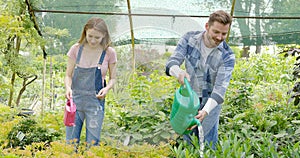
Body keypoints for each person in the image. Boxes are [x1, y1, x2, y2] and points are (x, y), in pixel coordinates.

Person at [165, 10, 235, 149]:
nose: (220, 37)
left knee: (208, 142)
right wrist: (178, 72)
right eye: (216, 32)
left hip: (210, 102)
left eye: (224, 34)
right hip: (189, 99)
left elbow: (220, 89)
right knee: (188, 139)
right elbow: (171, 63)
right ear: (207, 26)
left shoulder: (227, 55)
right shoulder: (189, 39)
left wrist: (206, 111)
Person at [64, 17, 117, 146]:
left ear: (104, 35)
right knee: (70, 142)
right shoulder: (76, 49)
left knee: (92, 143)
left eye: (97, 37)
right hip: (75, 102)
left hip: (95, 103)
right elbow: (68, 75)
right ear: (85, 32)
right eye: (90, 36)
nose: (93, 40)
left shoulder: (109, 53)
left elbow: (113, 78)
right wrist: (68, 88)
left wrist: (107, 88)